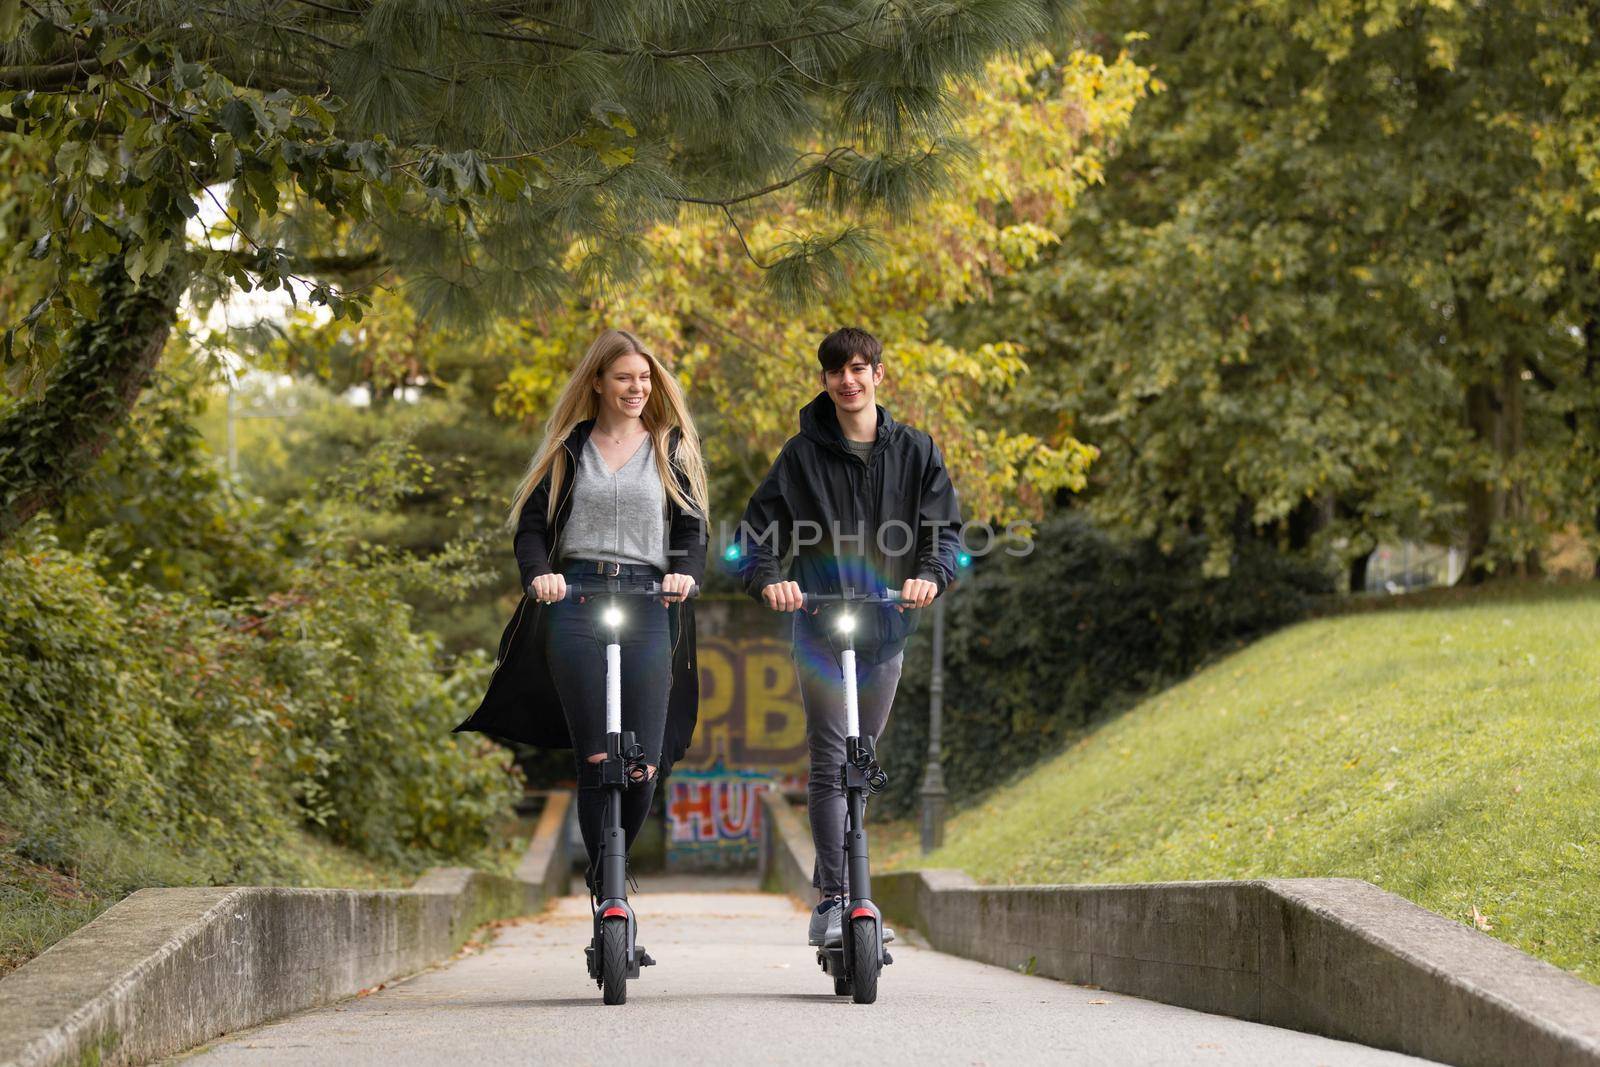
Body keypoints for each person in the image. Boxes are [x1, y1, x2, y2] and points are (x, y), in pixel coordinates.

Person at [454, 328, 709, 890]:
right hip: (576, 600)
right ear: (597, 383)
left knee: (642, 765)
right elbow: (531, 530)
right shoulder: (568, 447)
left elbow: (692, 529)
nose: (637, 388)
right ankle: (610, 893)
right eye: (624, 378)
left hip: (648, 600)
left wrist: (684, 574)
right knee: (597, 758)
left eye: (644, 378)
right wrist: (539, 575)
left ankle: (605, 876)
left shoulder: (669, 447)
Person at [735, 326, 962, 946]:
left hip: (888, 625)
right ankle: (836, 900)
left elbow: (945, 531)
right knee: (832, 760)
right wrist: (770, 582)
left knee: (861, 759)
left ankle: (841, 885)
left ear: (879, 375)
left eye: (860, 368)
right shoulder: (800, 455)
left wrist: (930, 575)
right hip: (819, 628)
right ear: (825, 380)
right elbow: (755, 534)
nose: (849, 380)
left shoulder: (917, 450)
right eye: (838, 371)